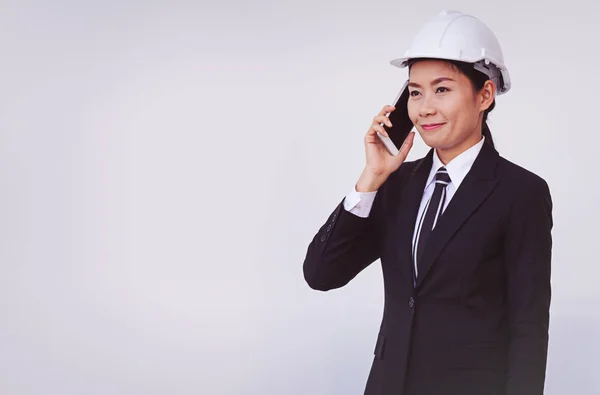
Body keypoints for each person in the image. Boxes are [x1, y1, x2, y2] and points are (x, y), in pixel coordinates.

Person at [302, 10, 553, 395]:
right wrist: (371, 178)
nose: (424, 108)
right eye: (415, 92)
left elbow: (529, 325)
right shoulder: (395, 184)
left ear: (484, 94)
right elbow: (321, 275)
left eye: (442, 89)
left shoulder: (520, 193)